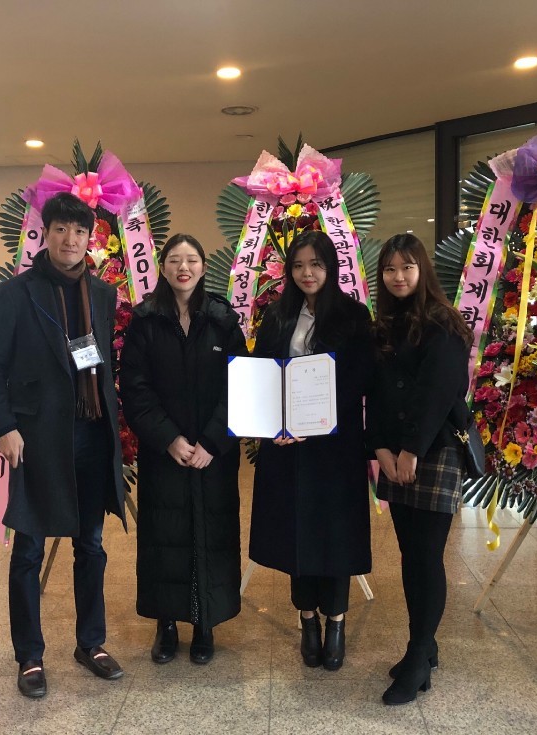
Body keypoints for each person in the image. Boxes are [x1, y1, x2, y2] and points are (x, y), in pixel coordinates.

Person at [0, 192, 127, 698]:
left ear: (90, 238)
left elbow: (101, 361)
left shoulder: (101, 294)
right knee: (29, 549)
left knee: (91, 545)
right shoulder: (18, 293)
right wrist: (5, 426)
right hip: (36, 439)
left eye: (80, 231)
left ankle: (91, 643)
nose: (71, 239)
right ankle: (30, 655)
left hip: (91, 434)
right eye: (62, 229)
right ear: (46, 233)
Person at [248, 229, 373, 671]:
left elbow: (359, 379)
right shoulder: (278, 315)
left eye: (315, 264)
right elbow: (264, 373)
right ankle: (307, 619)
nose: (307, 273)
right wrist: (274, 424)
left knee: (335, 533)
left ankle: (336, 619)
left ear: (331, 267)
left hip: (335, 447)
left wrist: (315, 421)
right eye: (298, 265)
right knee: (296, 533)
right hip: (288, 447)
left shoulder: (354, 316)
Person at [120, 233, 247, 665]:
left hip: (214, 455)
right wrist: (169, 438)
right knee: (165, 538)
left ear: (203, 267)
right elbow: (135, 388)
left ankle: (205, 624)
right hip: (166, 454)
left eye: (192, 259)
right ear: (163, 267)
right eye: (174, 260)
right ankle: (167, 625)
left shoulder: (223, 321)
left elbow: (240, 386)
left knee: (212, 534)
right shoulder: (145, 321)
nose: (183, 267)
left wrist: (212, 441)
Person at [365, 233, 473, 705]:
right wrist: (380, 448)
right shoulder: (383, 326)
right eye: (390, 269)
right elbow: (374, 393)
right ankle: (424, 646)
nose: (398, 276)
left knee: (427, 555)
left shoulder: (443, 322)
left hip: (435, 449)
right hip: (395, 453)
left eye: (407, 267)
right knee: (410, 555)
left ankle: (417, 654)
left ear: (422, 270)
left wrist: (411, 450)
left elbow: (439, 392)